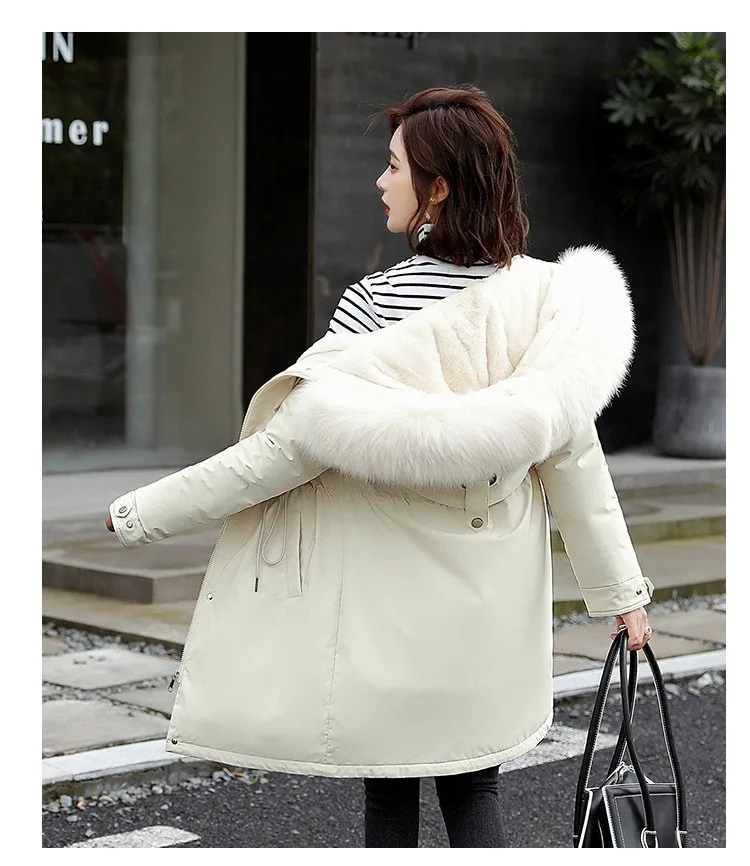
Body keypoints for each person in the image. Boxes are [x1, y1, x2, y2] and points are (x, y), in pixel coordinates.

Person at [105, 85, 654, 848]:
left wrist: (138, 515)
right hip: (487, 611)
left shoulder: (371, 307)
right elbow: (574, 458)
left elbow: (281, 456)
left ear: (439, 186)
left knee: (389, 797)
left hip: (384, 615)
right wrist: (622, 594)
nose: (379, 181)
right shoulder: (544, 300)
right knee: (475, 793)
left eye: (394, 166)